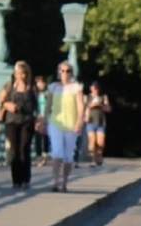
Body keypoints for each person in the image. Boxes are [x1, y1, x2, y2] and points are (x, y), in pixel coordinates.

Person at [45, 62, 86, 192]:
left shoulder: (76, 88)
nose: (65, 73)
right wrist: (44, 120)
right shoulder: (53, 87)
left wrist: (80, 121)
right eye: (62, 71)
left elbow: (80, 105)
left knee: (68, 155)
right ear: (58, 72)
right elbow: (48, 105)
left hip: (71, 123)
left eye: (68, 71)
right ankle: (55, 181)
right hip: (56, 122)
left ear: (71, 73)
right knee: (57, 152)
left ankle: (64, 182)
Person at [0, 60, 37, 189]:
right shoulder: (10, 86)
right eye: (19, 73)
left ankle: (26, 178)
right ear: (15, 74)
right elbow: (1, 99)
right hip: (12, 121)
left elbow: (36, 105)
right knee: (14, 150)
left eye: (24, 73)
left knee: (24, 148)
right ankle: (16, 180)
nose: (21, 76)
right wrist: (7, 105)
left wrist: (39, 119)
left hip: (26, 120)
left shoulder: (31, 87)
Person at [84, 80, 111, 167]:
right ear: (91, 88)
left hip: (100, 121)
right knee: (92, 141)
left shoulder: (103, 97)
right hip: (90, 121)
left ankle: (99, 155)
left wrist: (101, 105)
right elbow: (84, 108)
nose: (95, 90)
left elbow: (108, 109)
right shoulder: (87, 97)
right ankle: (93, 160)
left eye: (96, 88)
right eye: (93, 88)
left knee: (100, 142)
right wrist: (92, 105)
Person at [33, 74, 50, 167]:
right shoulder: (35, 94)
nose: (39, 85)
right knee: (38, 137)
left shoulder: (47, 93)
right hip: (37, 117)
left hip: (46, 117)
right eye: (38, 83)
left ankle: (45, 155)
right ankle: (39, 156)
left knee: (45, 137)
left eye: (41, 83)